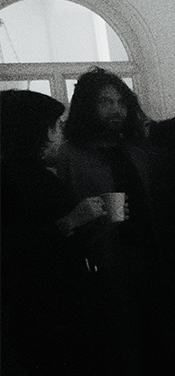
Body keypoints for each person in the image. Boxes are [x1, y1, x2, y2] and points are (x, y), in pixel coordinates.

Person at [52, 68, 175, 374]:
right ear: (87, 106)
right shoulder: (69, 155)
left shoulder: (136, 150)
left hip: (151, 261)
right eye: (105, 102)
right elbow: (56, 217)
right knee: (120, 350)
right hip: (103, 268)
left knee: (161, 346)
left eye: (120, 102)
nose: (116, 110)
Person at [0, 90, 108, 374]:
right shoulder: (13, 178)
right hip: (39, 305)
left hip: (56, 299)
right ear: (37, 131)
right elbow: (14, 247)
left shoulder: (35, 173)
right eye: (57, 126)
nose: (61, 133)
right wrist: (73, 220)